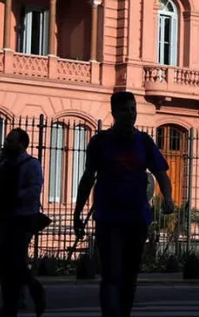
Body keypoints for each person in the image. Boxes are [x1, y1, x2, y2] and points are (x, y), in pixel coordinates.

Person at [73, 91, 175, 317]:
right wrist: (78, 211)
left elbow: (161, 174)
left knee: (129, 274)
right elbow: (88, 177)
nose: (130, 114)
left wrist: (168, 198)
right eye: (125, 110)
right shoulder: (100, 142)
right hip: (109, 217)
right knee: (111, 272)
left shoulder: (144, 142)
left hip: (136, 218)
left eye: (133, 110)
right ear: (114, 113)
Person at [0, 128, 46, 317]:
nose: (6, 144)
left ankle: (31, 289)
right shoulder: (5, 164)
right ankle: (11, 303)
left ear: (22, 144)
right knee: (4, 262)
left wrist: (14, 196)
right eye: (7, 141)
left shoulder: (31, 164)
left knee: (14, 261)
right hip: (6, 218)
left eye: (11, 141)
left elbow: (34, 190)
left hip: (23, 218)